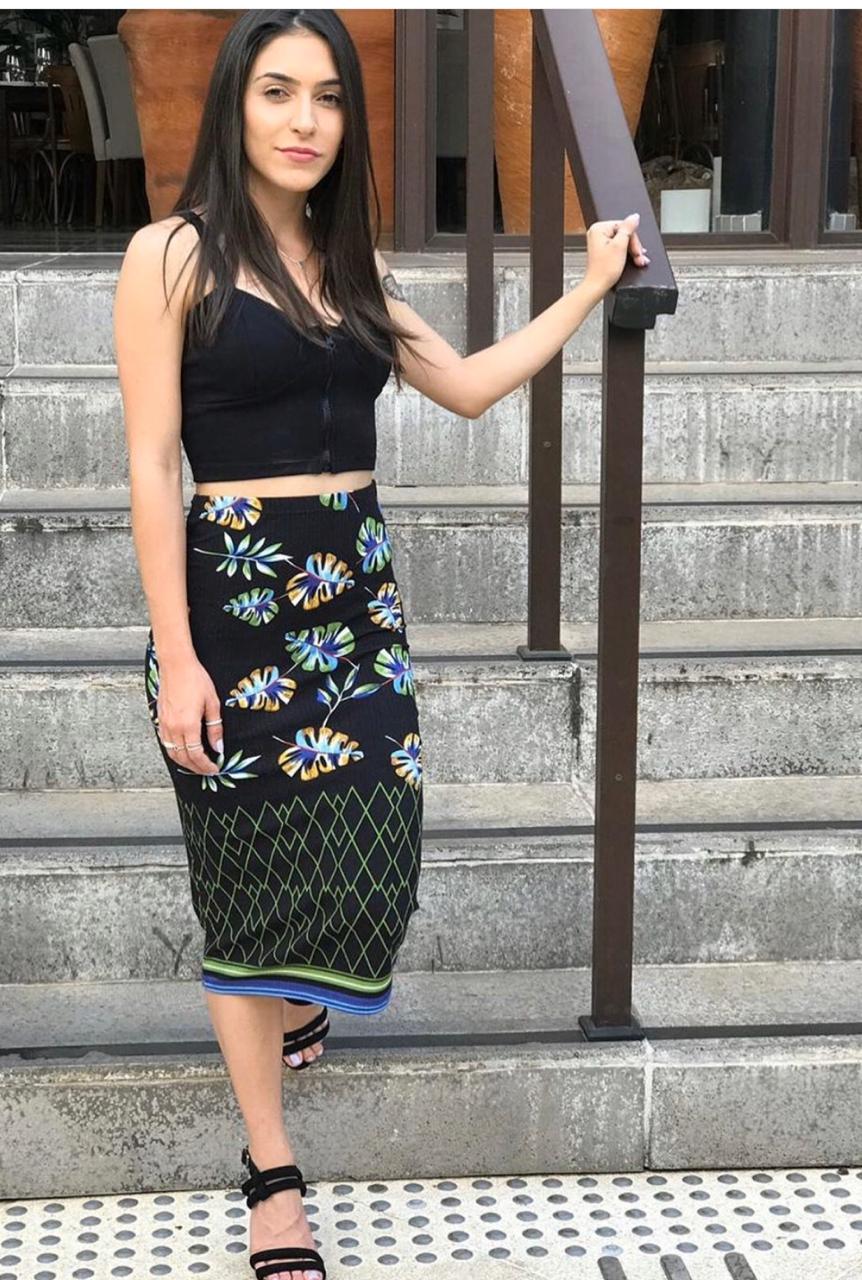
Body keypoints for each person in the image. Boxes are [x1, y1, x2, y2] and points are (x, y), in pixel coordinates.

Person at [113, 11, 647, 1280]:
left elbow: (464, 385)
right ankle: (272, 1173)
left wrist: (584, 287)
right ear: (235, 104)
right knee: (245, 894)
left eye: (328, 97)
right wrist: (177, 655)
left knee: (377, 854)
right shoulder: (170, 254)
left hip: (353, 600)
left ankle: (303, 996)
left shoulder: (350, 271)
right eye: (278, 92)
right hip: (234, 602)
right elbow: (148, 464)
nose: (304, 120)